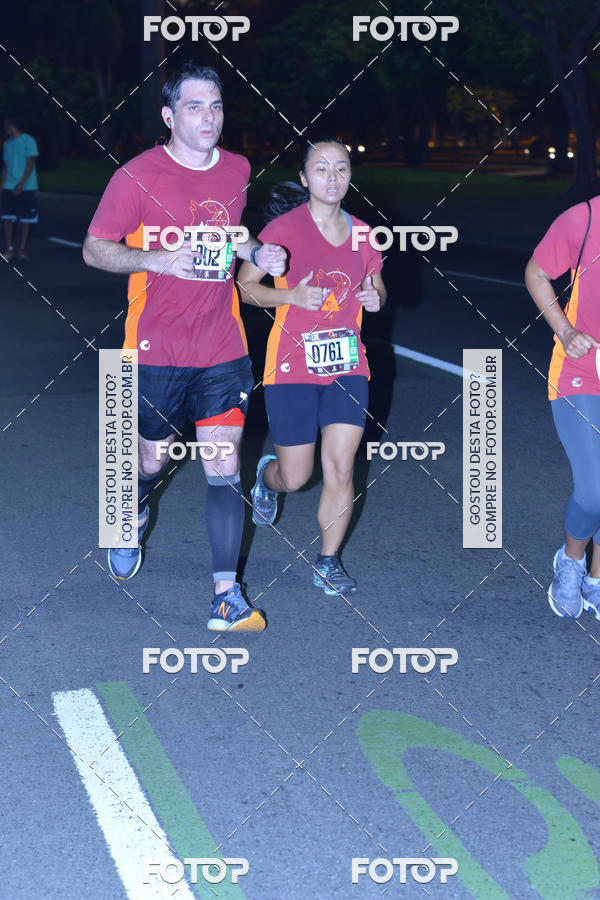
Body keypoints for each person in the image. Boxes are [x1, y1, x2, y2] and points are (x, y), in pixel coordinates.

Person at [83, 62, 286, 631]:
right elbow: (95, 248)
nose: (209, 117)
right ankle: (132, 507)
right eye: (195, 107)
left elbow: (232, 233)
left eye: (216, 106)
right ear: (170, 116)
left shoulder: (237, 169)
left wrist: (257, 252)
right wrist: (156, 259)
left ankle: (227, 595)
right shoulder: (136, 176)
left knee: (223, 464)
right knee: (152, 458)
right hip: (156, 348)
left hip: (222, 345)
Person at [237, 139, 387, 595]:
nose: (332, 177)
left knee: (341, 467)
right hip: (292, 367)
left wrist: (374, 297)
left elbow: (378, 287)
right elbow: (246, 288)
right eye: (321, 169)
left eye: (341, 168)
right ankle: (268, 479)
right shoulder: (283, 230)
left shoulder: (364, 233)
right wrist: (291, 296)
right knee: (297, 477)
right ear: (304, 178)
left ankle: (328, 561)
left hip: (347, 365)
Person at [525, 197, 600, 620]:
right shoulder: (583, 218)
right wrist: (566, 331)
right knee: (593, 490)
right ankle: (571, 561)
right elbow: (536, 273)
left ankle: (597, 580)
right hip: (581, 368)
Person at [1, 114, 39, 261]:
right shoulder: (7, 144)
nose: (4, 128)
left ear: (11, 125)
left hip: (27, 186)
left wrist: (21, 183)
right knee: (7, 217)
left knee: (26, 219)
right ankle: (9, 248)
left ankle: (23, 249)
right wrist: (1, 187)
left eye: (5, 124)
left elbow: (30, 164)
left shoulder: (28, 140)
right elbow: (5, 168)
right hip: (9, 186)